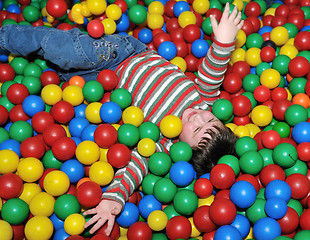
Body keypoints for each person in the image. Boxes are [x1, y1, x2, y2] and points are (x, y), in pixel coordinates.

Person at [0, 2, 243, 236]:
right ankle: (5, 37)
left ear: (182, 147)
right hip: (123, 55)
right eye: (209, 119)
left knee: (64, 69)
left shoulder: (162, 140)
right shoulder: (202, 98)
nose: (198, 116)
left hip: (98, 86)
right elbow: (213, 71)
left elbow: (134, 166)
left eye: (196, 129)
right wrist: (224, 40)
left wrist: (112, 201)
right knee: (66, 50)